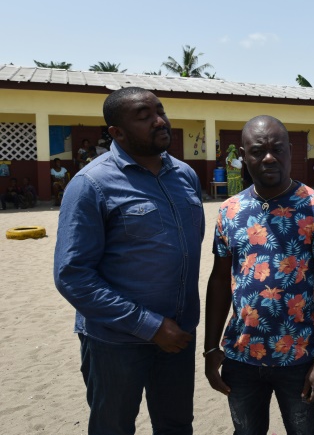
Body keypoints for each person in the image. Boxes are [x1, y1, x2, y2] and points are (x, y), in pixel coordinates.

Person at [53, 87, 205, 435]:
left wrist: (171, 329)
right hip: (115, 343)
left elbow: (188, 246)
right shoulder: (91, 184)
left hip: (179, 337)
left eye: (160, 111)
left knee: (177, 425)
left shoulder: (185, 176)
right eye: (144, 116)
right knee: (113, 427)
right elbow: (72, 276)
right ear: (116, 133)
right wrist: (150, 326)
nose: (160, 121)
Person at [205, 115, 314, 435]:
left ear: (289, 152)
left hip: (299, 358)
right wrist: (211, 349)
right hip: (240, 358)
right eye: (257, 150)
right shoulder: (229, 211)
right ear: (243, 155)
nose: (268, 157)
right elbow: (219, 282)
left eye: (277, 149)